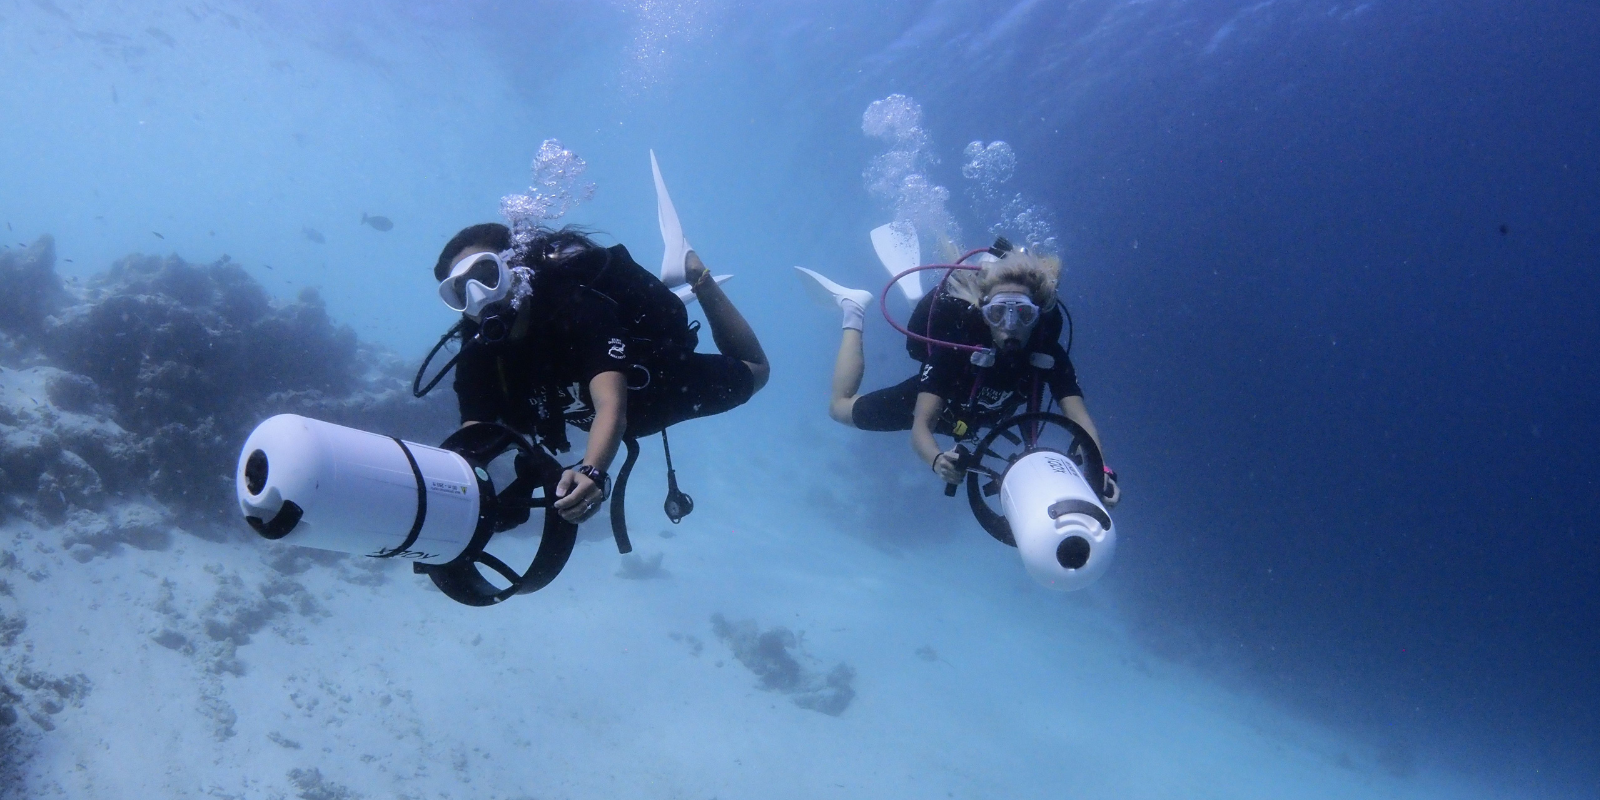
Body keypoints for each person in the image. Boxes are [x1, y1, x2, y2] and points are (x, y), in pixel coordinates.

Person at [434, 222, 769, 523]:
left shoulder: (576, 307)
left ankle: (698, 278)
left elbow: (611, 405)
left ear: (516, 269)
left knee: (758, 372)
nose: (478, 296)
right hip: (602, 421)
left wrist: (592, 471)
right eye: (460, 290)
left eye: (487, 275)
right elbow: (473, 438)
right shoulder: (478, 353)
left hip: (659, 387)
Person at [796, 247, 1119, 506]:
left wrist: (1100, 470)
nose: (1009, 325)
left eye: (1022, 314)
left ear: (1036, 315)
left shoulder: (1048, 355)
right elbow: (921, 426)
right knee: (838, 409)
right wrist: (937, 459)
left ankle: (916, 303)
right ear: (984, 312)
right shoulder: (958, 349)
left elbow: (1081, 421)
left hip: (977, 418)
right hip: (944, 407)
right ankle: (854, 308)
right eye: (997, 312)